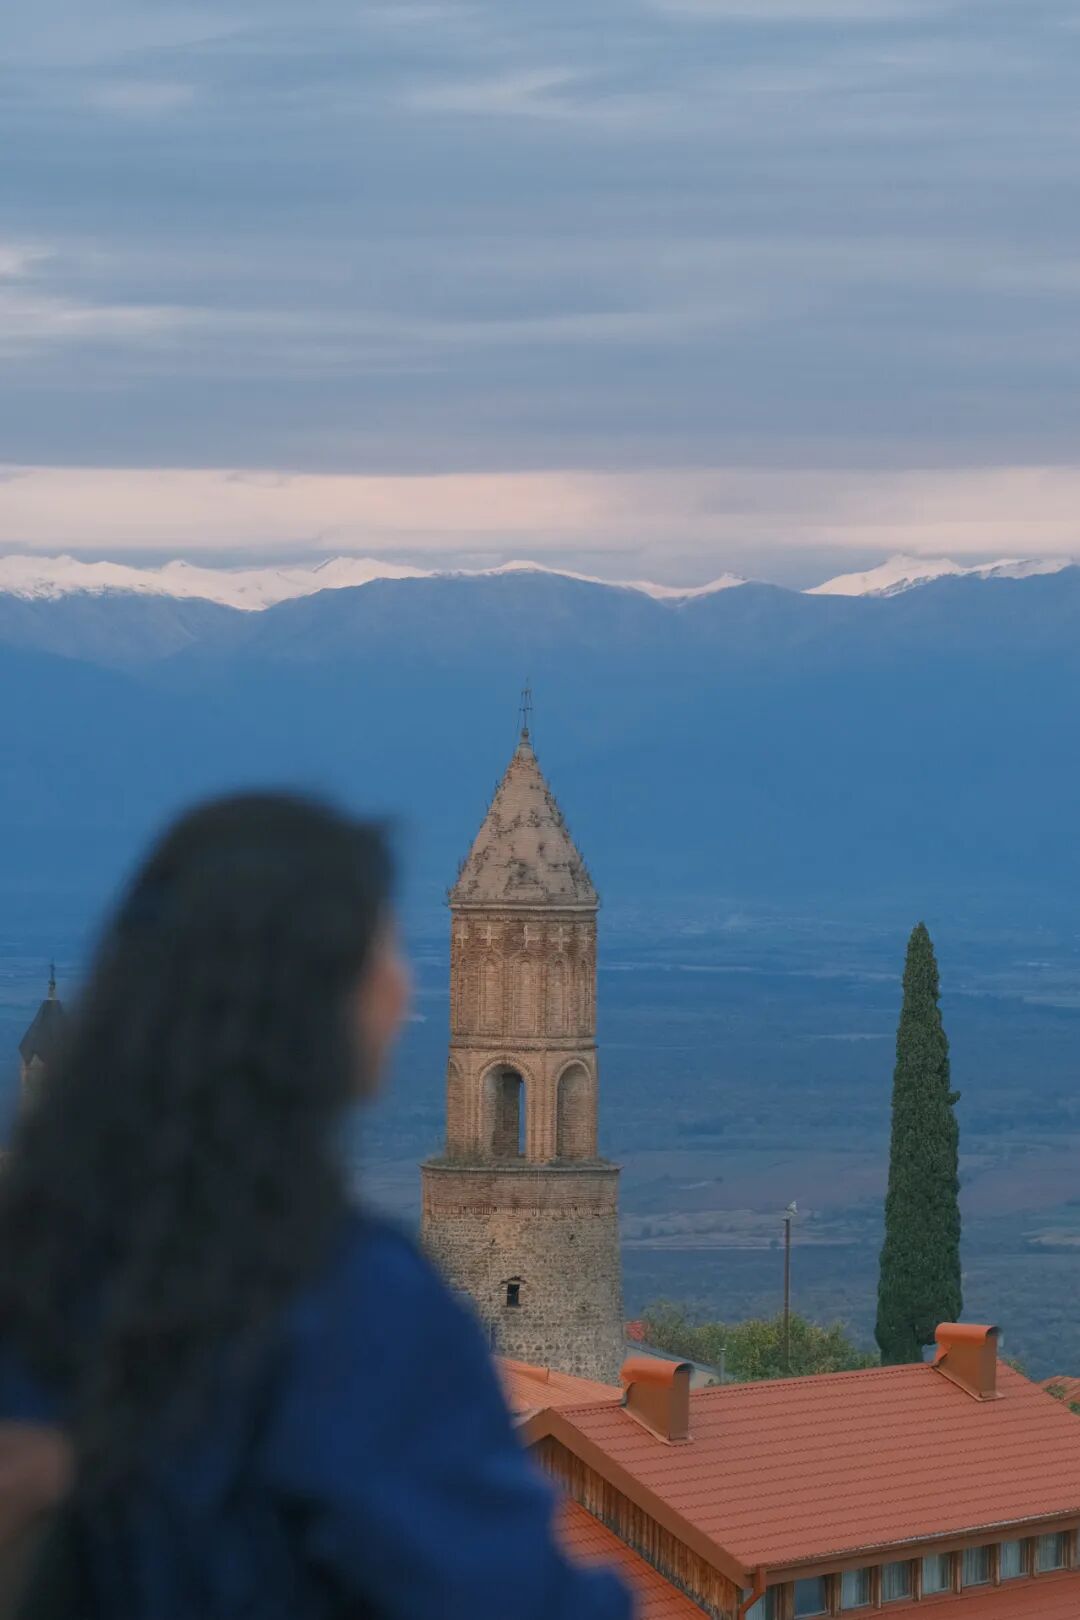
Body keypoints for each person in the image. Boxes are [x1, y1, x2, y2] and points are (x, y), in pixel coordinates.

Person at [0, 795, 632, 1619]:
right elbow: (501, 1589)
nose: (405, 990)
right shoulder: (352, 1303)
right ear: (311, 1000)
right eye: (382, 955)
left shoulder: (40, 1259)